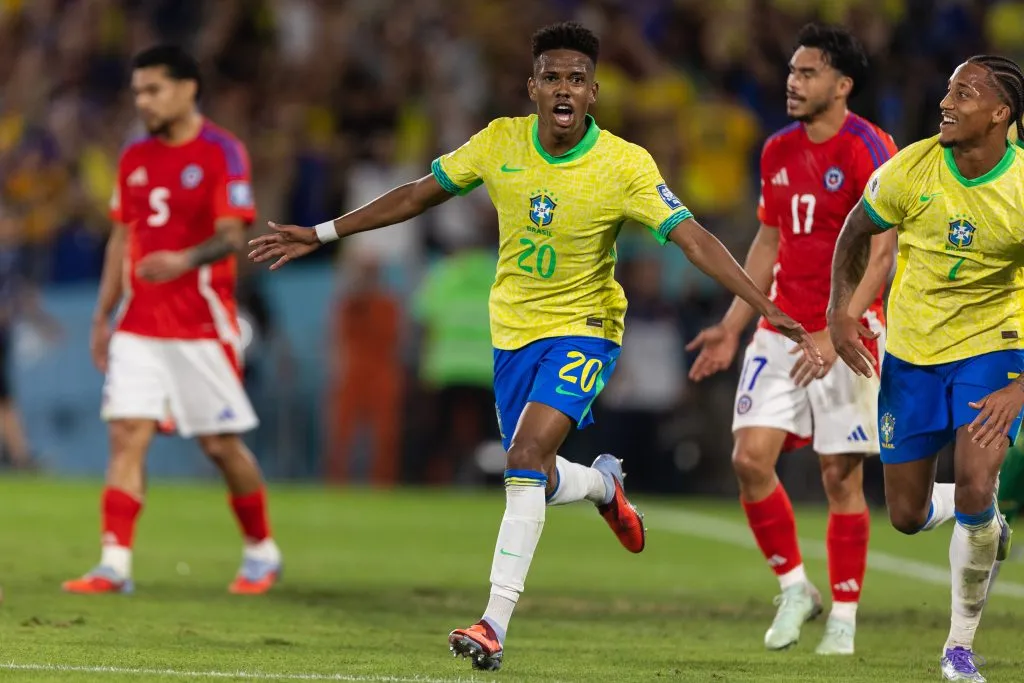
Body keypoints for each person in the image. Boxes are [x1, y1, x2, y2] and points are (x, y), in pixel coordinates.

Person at [249, 21, 819, 672]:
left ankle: (493, 622)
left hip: (586, 329)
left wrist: (761, 303)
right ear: (533, 87)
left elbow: (693, 239)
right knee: (537, 476)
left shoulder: (625, 165)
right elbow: (417, 195)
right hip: (513, 333)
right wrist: (322, 232)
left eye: (577, 79)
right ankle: (602, 485)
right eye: (552, 78)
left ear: (594, 92)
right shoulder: (500, 142)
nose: (564, 89)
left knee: (521, 457)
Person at [685, 24, 897, 655]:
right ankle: (796, 588)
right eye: (791, 71)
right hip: (782, 328)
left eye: (807, 73)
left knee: (839, 476)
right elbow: (769, 240)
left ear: (842, 84)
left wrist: (839, 328)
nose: (792, 82)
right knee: (750, 460)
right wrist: (732, 325)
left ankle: (844, 617)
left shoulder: (870, 148)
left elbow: (883, 254)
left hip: (850, 331)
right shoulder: (777, 149)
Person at [828, 55, 1024, 682]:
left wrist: (1020, 388)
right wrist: (839, 312)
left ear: (1000, 113)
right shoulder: (911, 169)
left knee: (976, 481)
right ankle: (982, 517)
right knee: (907, 515)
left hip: (994, 346)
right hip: (913, 353)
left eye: (964, 93)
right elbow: (854, 233)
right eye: (947, 90)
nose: (946, 102)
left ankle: (958, 648)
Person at [62, 46, 282, 596]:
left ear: (188, 89)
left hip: (200, 323)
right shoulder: (134, 156)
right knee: (126, 434)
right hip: (138, 322)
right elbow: (121, 237)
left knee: (219, 445)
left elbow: (232, 234)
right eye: (137, 91)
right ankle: (114, 564)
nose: (143, 101)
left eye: (154, 89)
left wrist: (183, 260)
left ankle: (261, 550)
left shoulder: (222, 151)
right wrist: (103, 314)